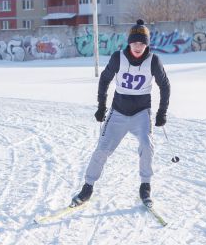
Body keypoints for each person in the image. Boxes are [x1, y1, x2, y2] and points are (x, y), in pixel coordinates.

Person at [72, 19, 171, 208]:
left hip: (141, 113)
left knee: (146, 144)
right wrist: (101, 107)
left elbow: (165, 85)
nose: (138, 46)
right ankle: (87, 187)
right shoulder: (118, 58)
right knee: (102, 149)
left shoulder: (153, 60)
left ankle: (145, 186)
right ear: (129, 42)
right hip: (118, 112)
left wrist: (162, 112)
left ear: (146, 44)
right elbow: (105, 79)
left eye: (142, 43)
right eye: (135, 42)